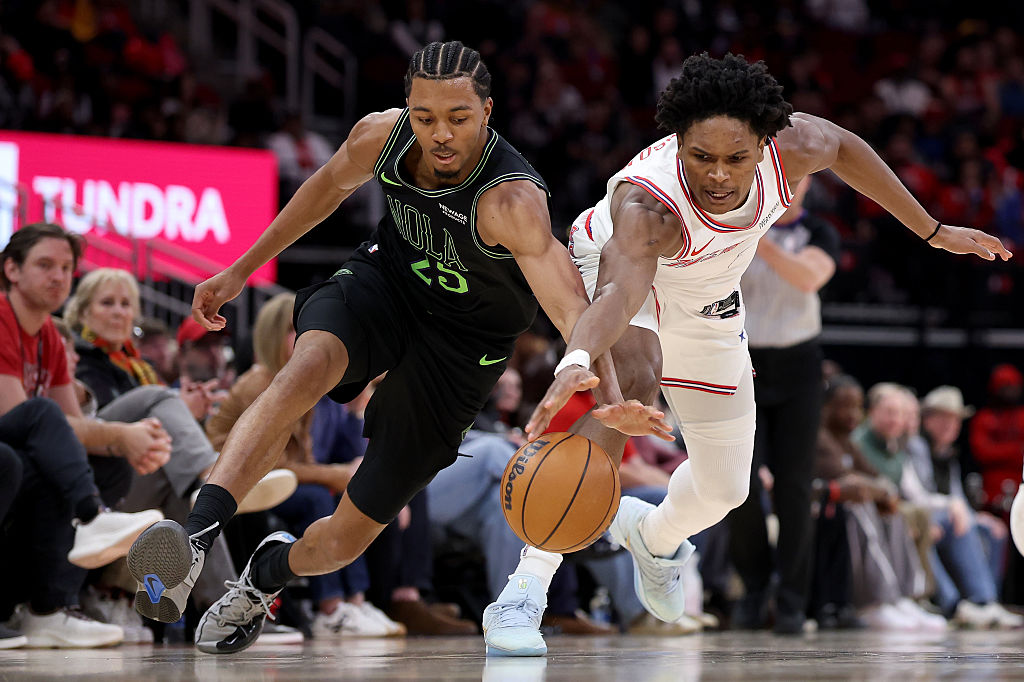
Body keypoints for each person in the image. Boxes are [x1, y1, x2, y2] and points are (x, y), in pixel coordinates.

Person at [127, 40, 666, 655]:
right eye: (424, 116)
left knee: (342, 542)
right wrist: (240, 269)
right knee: (308, 364)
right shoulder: (380, 137)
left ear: (487, 113)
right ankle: (195, 537)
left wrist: (613, 396)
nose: (439, 134)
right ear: (406, 108)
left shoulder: (511, 202)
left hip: (463, 349)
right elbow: (324, 189)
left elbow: (575, 310)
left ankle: (265, 576)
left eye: (458, 118)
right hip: (386, 285)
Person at [484, 52, 1012, 656]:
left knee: (727, 489)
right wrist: (577, 358)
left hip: (710, 301)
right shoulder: (646, 205)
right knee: (629, 385)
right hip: (626, 279)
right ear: (676, 140)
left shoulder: (796, 146)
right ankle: (523, 592)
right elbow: (619, 292)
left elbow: (845, 147)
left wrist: (934, 230)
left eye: (736, 158)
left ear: (766, 144)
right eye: (700, 156)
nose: (717, 175)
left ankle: (653, 537)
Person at [726, 175, 839, 634]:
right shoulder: (732, 223)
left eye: (798, 176)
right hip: (740, 361)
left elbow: (809, 277)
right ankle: (754, 589)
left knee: (794, 487)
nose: (789, 183)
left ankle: (792, 600)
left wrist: (757, 237)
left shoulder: (819, 233)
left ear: (809, 182)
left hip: (798, 366)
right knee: (739, 484)